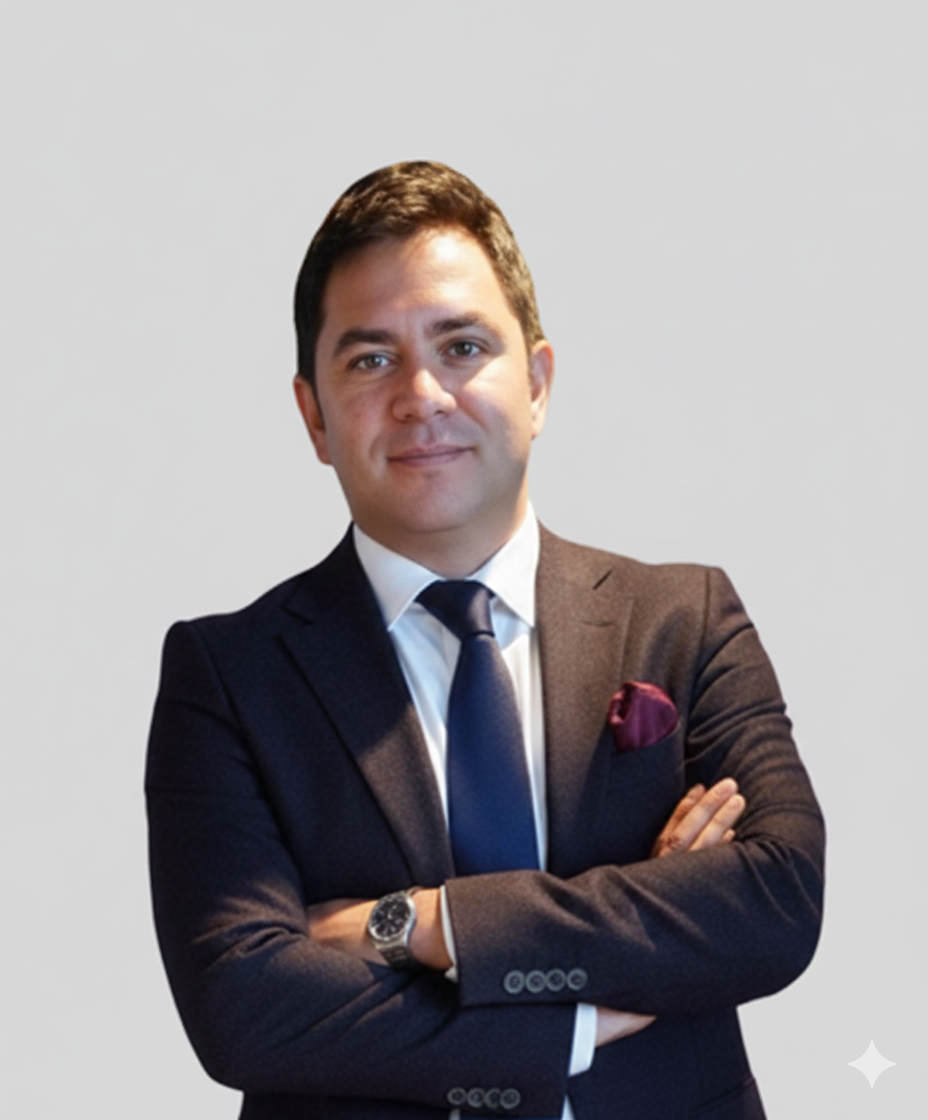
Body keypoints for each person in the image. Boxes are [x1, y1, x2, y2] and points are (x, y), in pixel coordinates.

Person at [146, 161, 824, 1120]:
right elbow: (243, 1006)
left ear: (537, 384)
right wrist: (579, 1019)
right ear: (314, 416)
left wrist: (416, 925)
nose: (422, 394)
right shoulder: (228, 675)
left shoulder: (684, 619)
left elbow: (775, 903)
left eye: (462, 346)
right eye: (370, 360)